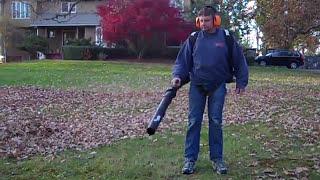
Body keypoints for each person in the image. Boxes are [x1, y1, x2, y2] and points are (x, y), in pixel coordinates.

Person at [171, 6, 249, 175]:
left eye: (207, 20)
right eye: (201, 21)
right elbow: (182, 61)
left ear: (215, 20)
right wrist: (177, 76)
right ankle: (189, 160)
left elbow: (239, 60)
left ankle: (217, 159)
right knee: (193, 122)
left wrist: (241, 82)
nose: (203, 24)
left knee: (215, 121)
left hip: (218, 86)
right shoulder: (193, 38)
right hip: (196, 86)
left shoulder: (226, 38)